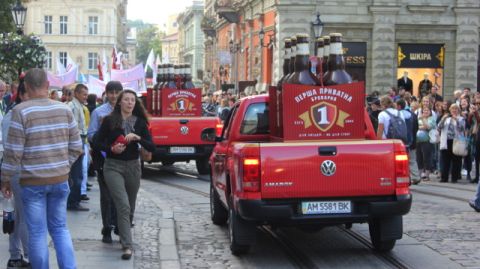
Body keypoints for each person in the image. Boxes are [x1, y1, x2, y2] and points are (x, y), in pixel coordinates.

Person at [1, 68, 83, 269]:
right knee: (60, 229)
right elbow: (77, 147)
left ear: (26, 87)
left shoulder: (21, 112)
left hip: (32, 181)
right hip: (59, 179)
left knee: (37, 232)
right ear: (47, 85)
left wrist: (5, 179)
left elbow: (13, 153)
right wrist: (63, 166)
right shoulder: (64, 110)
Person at [93, 89, 155, 260]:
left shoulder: (140, 122)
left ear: (135, 103)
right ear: (120, 102)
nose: (129, 103)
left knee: (130, 206)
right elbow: (96, 142)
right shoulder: (110, 121)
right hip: (113, 167)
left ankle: (123, 230)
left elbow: (152, 147)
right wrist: (111, 149)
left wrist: (138, 139)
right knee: (123, 204)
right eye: (126, 99)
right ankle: (127, 245)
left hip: (133, 167)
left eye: (132, 100)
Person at [87, 81, 123, 243]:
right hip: (104, 158)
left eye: (117, 92)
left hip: (123, 160)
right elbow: (91, 135)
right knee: (107, 195)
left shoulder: (127, 111)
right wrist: (105, 146)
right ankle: (107, 227)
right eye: (111, 92)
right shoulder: (99, 112)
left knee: (122, 195)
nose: (114, 96)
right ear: (106, 94)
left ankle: (120, 225)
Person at [3, 79, 31, 268]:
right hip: (20, 170)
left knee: (18, 215)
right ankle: (30, 255)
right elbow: (9, 148)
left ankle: (15, 256)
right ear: (21, 94)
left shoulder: (20, 113)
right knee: (24, 215)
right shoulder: (13, 115)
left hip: (20, 170)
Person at [67, 83, 90, 211]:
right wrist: (77, 147)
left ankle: (73, 200)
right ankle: (72, 202)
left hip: (80, 140)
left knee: (78, 173)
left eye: (86, 94)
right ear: (76, 93)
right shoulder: (73, 107)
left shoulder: (79, 106)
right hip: (77, 141)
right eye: (84, 94)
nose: (85, 97)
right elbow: (73, 129)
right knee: (76, 174)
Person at [438, 103, 466, 183]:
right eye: (452, 109)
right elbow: (439, 127)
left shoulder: (461, 119)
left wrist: (456, 120)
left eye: (456, 109)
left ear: (458, 110)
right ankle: (444, 177)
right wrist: (443, 119)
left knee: (456, 160)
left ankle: (454, 177)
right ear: (450, 110)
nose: (454, 111)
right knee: (445, 160)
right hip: (446, 141)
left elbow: (462, 129)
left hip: (456, 141)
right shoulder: (446, 118)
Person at [416, 108, 436, 180]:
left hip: (427, 140)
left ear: (430, 112)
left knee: (427, 158)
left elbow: (428, 127)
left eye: (427, 110)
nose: (425, 111)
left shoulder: (432, 119)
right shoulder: (418, 119)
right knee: (419, 158)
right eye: (424, 110)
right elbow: (416, 127)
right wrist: (422, 127)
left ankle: (427, 175)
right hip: (418, 141)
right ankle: (419, 174)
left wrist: (423, 120)